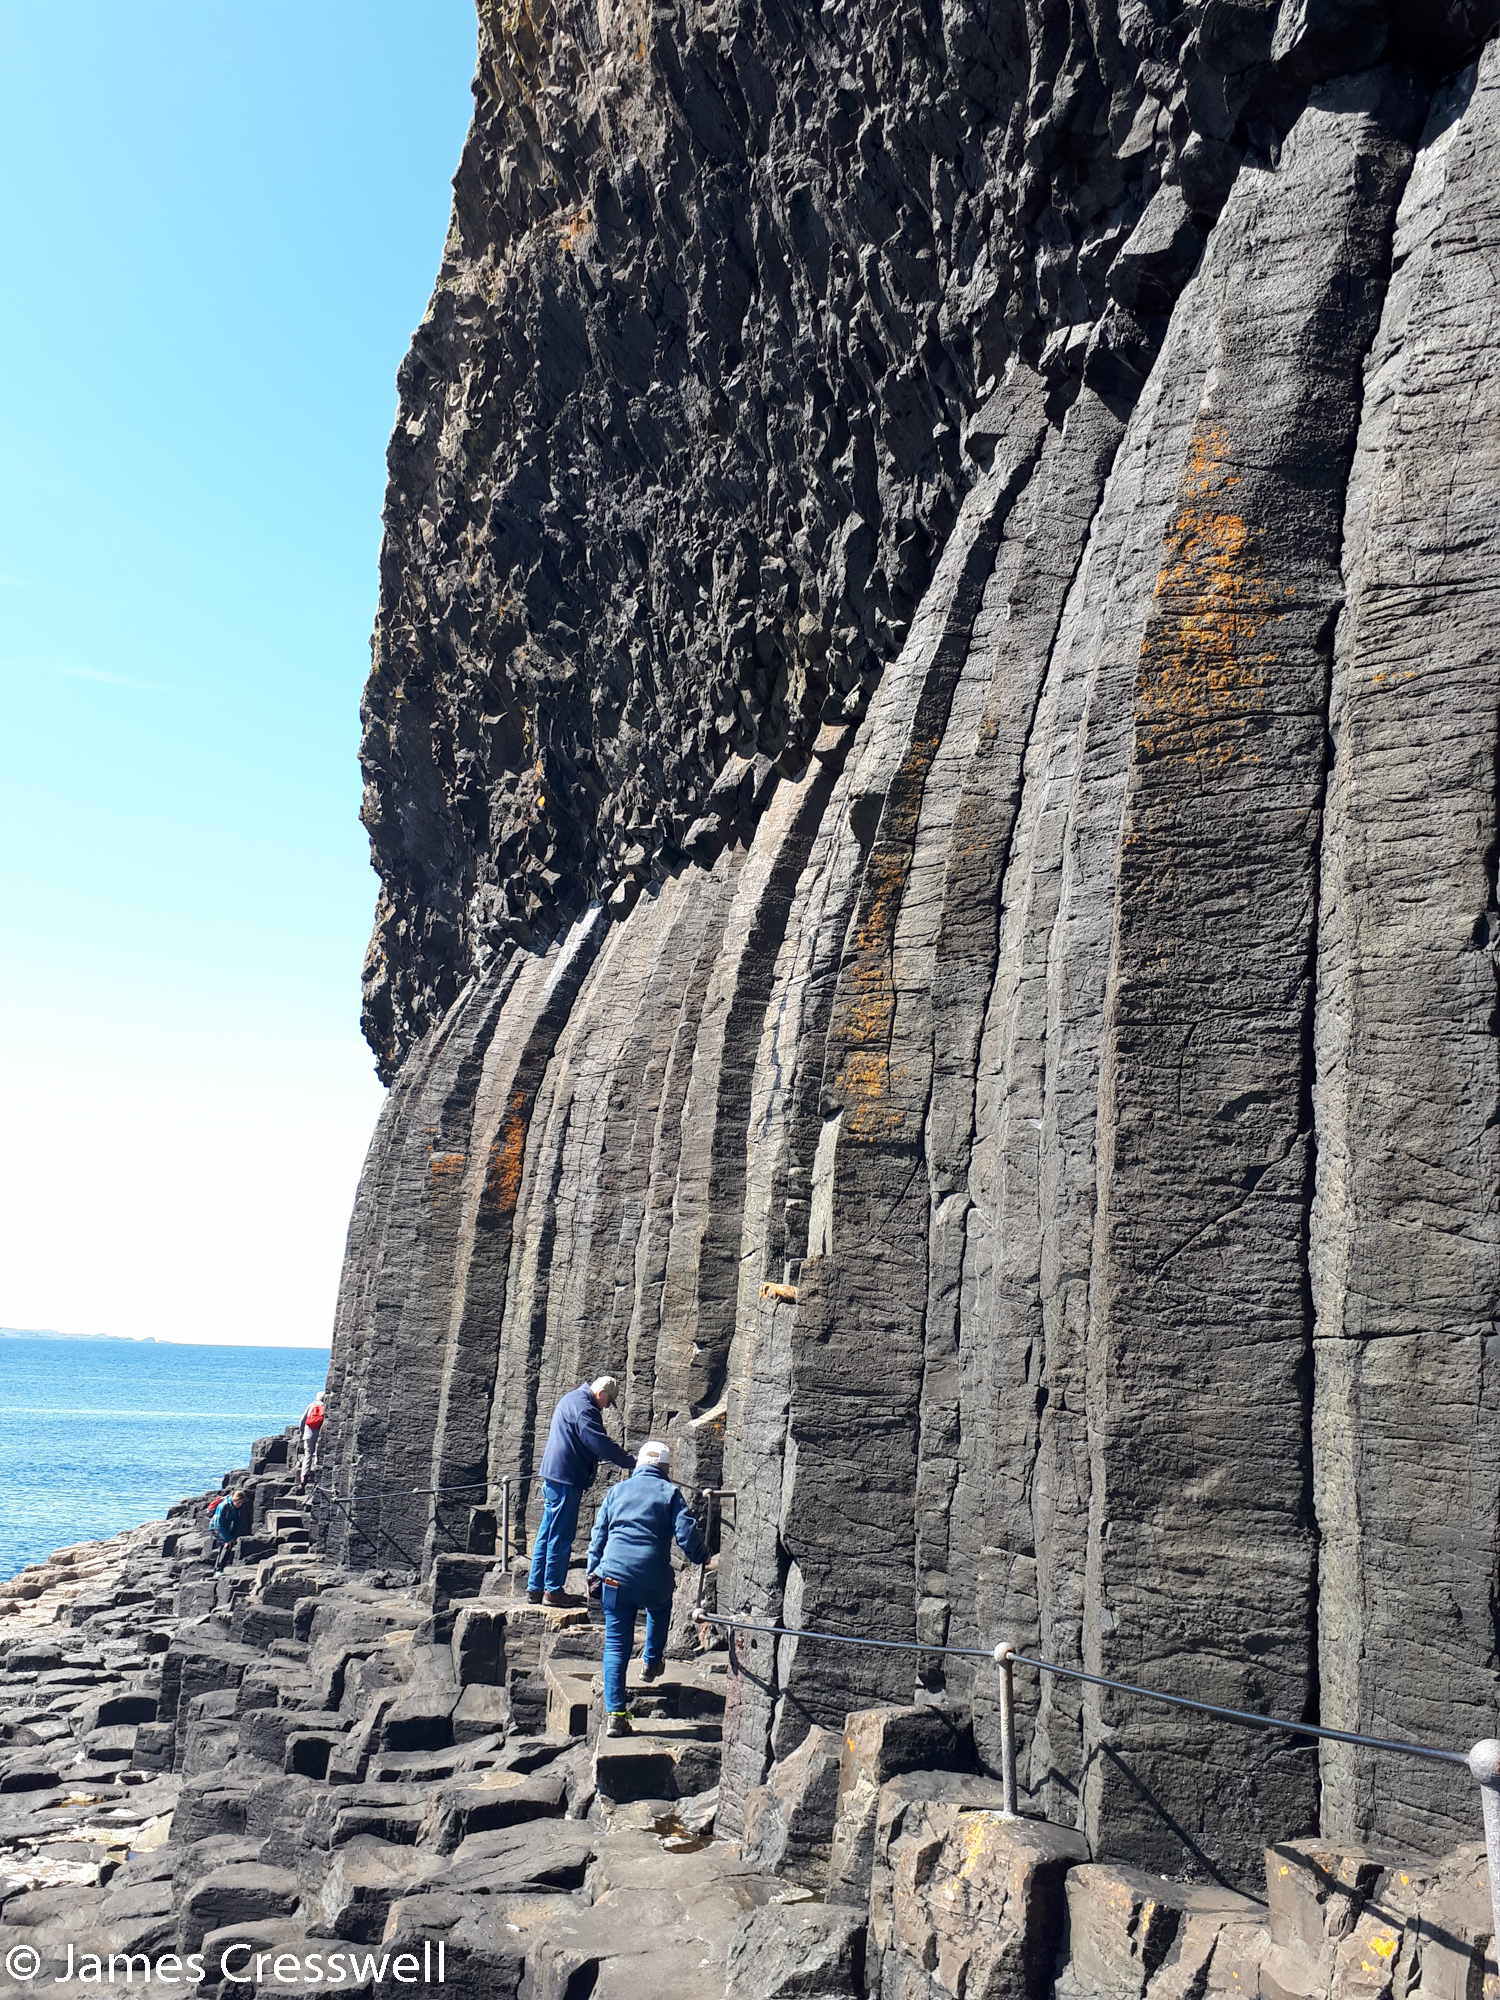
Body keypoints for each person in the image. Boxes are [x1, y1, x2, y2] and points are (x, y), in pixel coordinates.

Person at [586, 1441, 707, 1736]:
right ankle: (652, 1662)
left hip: (613, 1578)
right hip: (653, 1576)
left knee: (616, 1645)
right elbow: (686, 1534)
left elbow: (598, 1534)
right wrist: (703, 1557)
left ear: (639, 1464)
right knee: (660, 1607)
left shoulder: (616, 1491)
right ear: (666, 1469)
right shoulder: (670, 1493)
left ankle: (616, 1714)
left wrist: (592, 1572)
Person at [528, 1375, 634, 1607]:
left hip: (554, 1477)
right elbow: (598, 1442)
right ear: (601, 1393)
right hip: (566, 1479)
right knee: (560, 1536)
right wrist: (629, 1461)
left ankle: (535, 1588)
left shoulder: (572, 1399)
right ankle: (553, 1591)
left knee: (546, 1534)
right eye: (608, 1402)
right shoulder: (584, 1408)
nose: (606, 1407)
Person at [210, 1490, 247, 1574]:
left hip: (225, 1528)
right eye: (239, 1502)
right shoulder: (223, 1506)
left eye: (242, 1503)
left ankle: (217, 1569)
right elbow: (218, 1524)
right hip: (215, 1527)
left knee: (225, 1546)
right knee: (227, 1545)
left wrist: (233, 1537)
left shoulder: (236, 1508)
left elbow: (237, 1524)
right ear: (234, 1500)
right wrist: (227, 1539)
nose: (240, 1505)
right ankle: (219, 1570)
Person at [298, 1396, 326, 1490]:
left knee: (308, 1455)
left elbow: (302, 1420)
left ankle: (304, 1477)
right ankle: (317, 1476)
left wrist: (301, 1432)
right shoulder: (325, 1407)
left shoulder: (311, 1406)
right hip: (320, 1435)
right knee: (318, 1455)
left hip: (308, 1434)